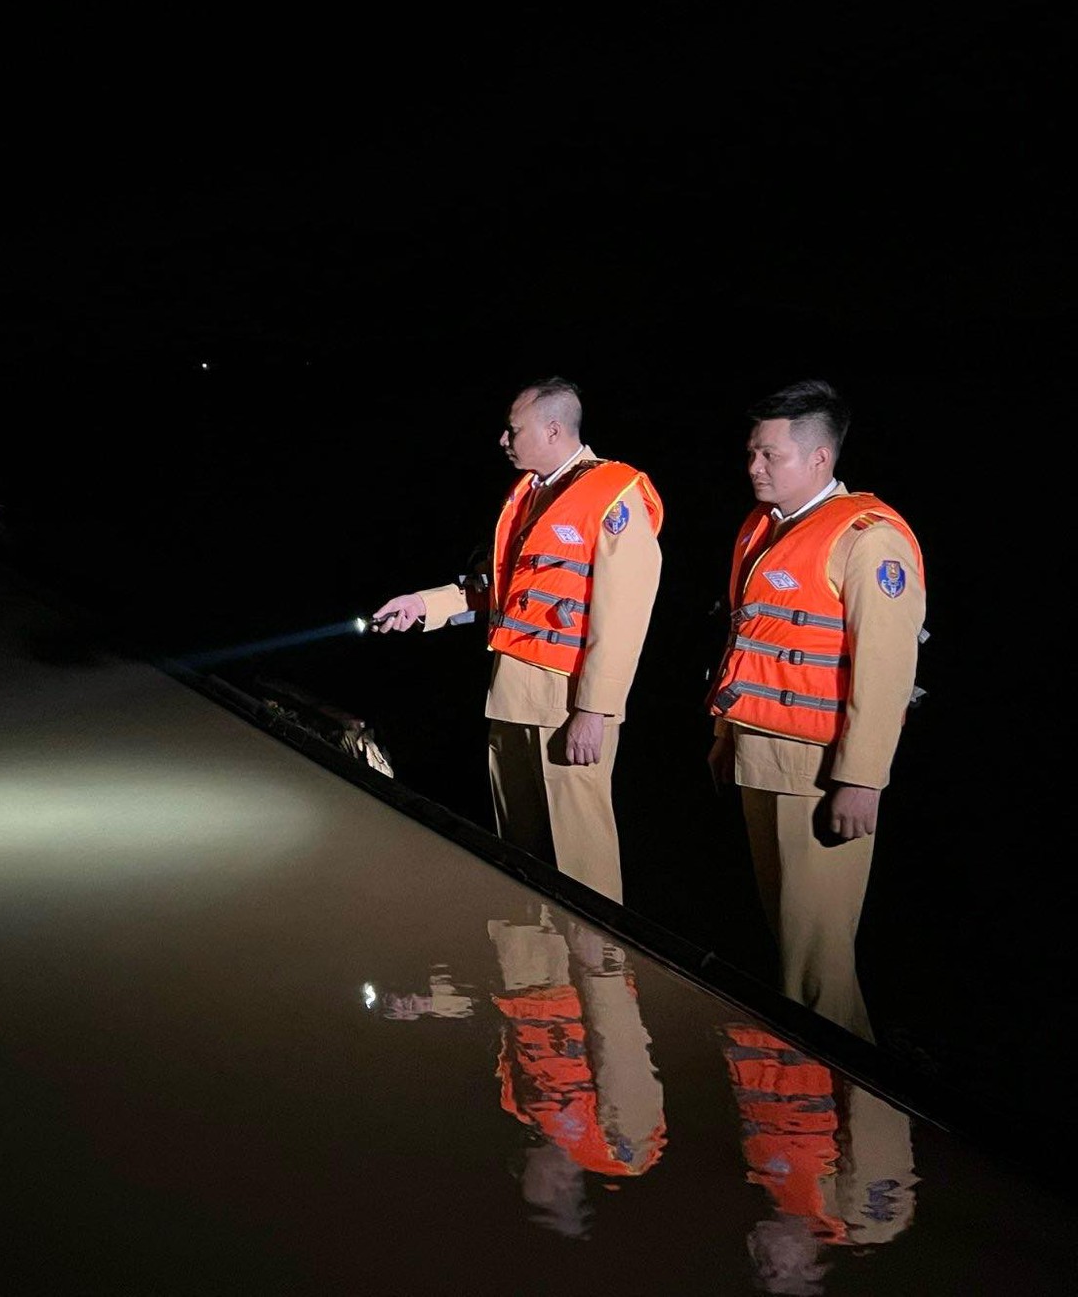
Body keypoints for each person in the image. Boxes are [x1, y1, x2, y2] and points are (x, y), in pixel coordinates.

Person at [371, 378, 663, 903]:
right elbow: (496, 585)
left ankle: (599, 979)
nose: (503, 440)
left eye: (513, 430)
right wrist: (424, 605)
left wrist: (595, 710)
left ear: (552, 430)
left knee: (581, 860)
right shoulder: (527, 495)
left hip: (569, 703)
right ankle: (530, 974)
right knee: (519, 851)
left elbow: (625, 616)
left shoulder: (613, 495)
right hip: (511, 693)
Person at [707, 379, 926, 1041]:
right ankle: (819, 1118)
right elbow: (749, 642)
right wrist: (725, 735)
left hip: (820, 770)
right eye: (752, 453)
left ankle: (856, 1119)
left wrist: (862, 778)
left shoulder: (868, 538)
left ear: (820, 458)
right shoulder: (761, 529)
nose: (754, 468)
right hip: (759, 755)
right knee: (793, 953)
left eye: (770, 455)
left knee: (817, 963)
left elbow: (886, 673)